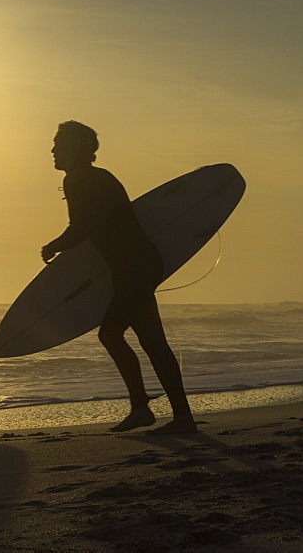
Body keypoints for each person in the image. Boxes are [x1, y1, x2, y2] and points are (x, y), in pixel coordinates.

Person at [42, 121, 197, 435]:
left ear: (73, 148)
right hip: (139, 264)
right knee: (152, 342)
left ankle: (144, 409)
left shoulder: (78, 179)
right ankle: (179, 417)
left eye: (58, 144)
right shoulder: (100, 176)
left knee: (111, 335)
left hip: (132, 267)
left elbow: (80, 229)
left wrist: (53, 247)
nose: (53, 151)